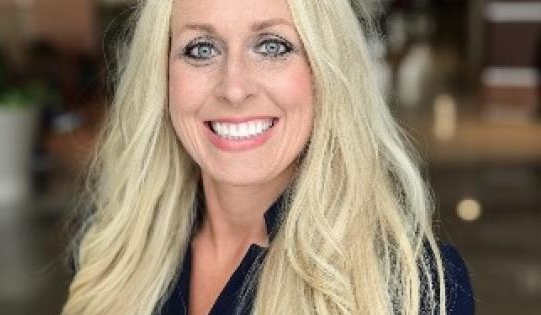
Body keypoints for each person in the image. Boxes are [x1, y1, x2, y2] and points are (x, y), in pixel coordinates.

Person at [62, 0, 474, 314]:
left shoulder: (410, 285)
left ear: (325, 72)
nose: (234, 88)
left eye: (273, 46)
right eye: (201, 48)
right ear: (163, 76)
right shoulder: (113, 250)